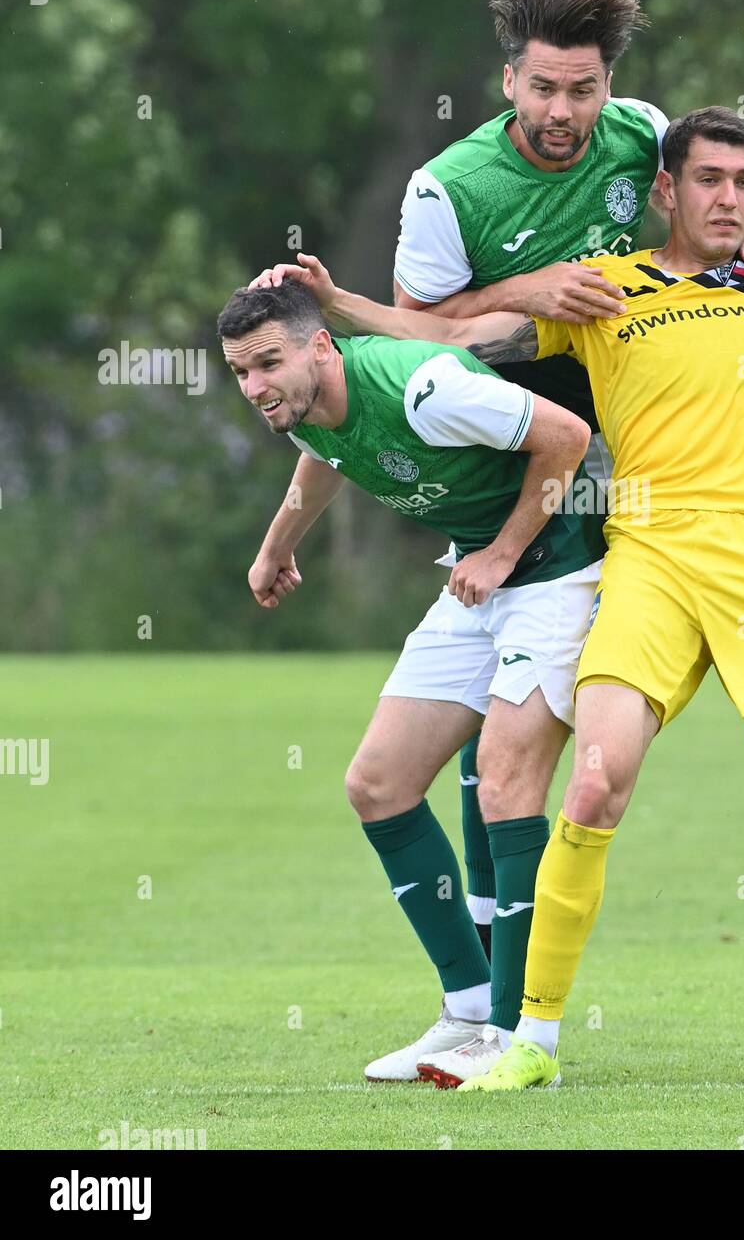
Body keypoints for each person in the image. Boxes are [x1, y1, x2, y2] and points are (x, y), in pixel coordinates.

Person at [252, 0, 744, 1080]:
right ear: (506, 78)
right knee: (460, 770)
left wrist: (728, 263)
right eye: (543, 87)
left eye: (585, 89)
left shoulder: (650, 145)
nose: (565, 112)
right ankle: (495, 1020)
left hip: (624, 442)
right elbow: (430, 347)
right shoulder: (445, 189)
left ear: (612, 90)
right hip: (523, 448)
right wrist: (520, 307)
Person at [217, 277, 603, 1085]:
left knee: (503, 785)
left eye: (267, 364)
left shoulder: (426, 388)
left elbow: (567, 438)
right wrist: (278, 545)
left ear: (321, 344)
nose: (254, 387)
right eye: (240, 372)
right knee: (378, 784)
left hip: (559, 575)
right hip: (476, 581)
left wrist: (500, 554)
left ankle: (520, 1037)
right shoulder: (312, 406)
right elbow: (321, 459)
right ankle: (465, 1010)